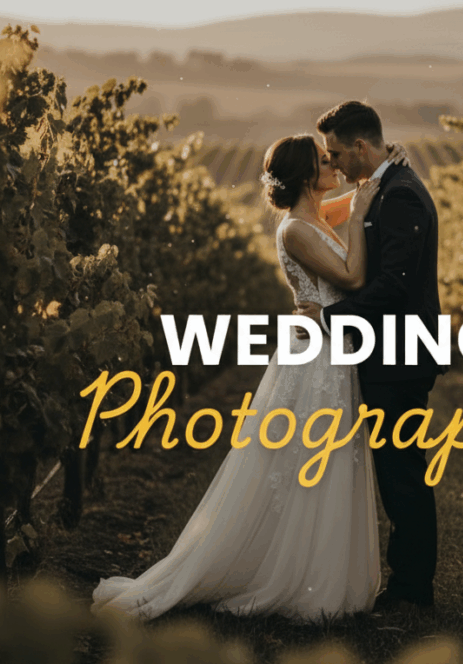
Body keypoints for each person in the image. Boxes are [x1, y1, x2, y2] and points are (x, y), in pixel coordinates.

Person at [90, 133, 409, 622]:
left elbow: (355, 200)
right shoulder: (296, 229)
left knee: (323, 459)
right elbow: (349, 276)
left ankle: (312, 568)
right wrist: (364, 201)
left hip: (327, 349)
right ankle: (295, 578)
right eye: (326, 161)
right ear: (306, 175)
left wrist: (380, 174)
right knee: (308, 461)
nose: (335, 167)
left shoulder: (315, 217)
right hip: (315, 356)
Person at [295, 101, 447, 613]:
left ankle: (411, 588)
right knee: (398, 470)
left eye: (337, 153)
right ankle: (407, 582)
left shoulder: (399, 194)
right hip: (391, 353)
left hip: (400, 356)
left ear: (362, 146)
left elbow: (394, 287)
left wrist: (331, 320)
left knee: (402, 473)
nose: (332, 164)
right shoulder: (383, 185)